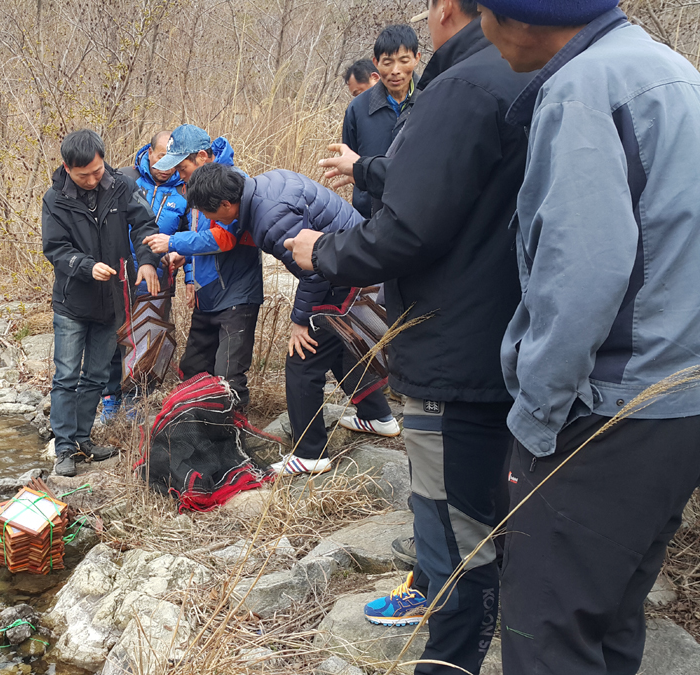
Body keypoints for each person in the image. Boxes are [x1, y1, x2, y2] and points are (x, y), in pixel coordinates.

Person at [287, 1, 534, 673]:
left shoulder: (462, 84)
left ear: (446, 11)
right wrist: (366, 171)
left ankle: (445, 653)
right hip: (508, 340)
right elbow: (445, 183)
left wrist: (323, 251)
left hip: (451, 347)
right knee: (483, 507)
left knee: (449, 527)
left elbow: (412, 224)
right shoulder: (529, 74)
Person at [476, 2, 700, 673]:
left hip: (608, 410)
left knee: (550, 632)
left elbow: (586, 268)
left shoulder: (582, 89)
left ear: (514, 16)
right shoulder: (671, 70)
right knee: (609, 619)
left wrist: (536, 419)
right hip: (677, 402)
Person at [185, 162, 399, 475]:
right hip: (354, 258)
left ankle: (311, 454)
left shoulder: (271, 220)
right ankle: (378, 416)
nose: (208, 220)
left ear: (226, 204)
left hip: (346, 270)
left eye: (209, 213)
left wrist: (300, 321)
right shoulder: (262, 186)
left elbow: (315, 271)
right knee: (335, 342)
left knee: (303, 358)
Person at [41, 129, 162, 477]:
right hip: (72, 303)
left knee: (95, 376)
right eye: (85, 175)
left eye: (98, 170)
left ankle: (83, 439)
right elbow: (55, 249)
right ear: (68, 168)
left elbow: (144, 226)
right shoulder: (55, 199)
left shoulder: (121, 185)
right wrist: (85, 265)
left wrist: (148, 262)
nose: (94, 179)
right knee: (66, 376)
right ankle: (64, 448)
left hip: (112, 300)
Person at [142, 124, 263, 408]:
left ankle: (232, 439)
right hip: (207, 295)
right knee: (193, 370)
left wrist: (173, 243)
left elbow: (225, 237)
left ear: (201, 156)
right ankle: (197, 432)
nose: (178, 175)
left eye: (182, 168)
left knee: (229, 375)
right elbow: (202, 236)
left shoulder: (233, 184)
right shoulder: (196, 186)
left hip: (237, 295)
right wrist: (189, 268)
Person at [100, 130, 187, 422]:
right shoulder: (123, 178)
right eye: (161, 157)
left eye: (173, 161)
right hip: (120, 273)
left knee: (151, 337)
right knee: (116, 334)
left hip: (159, 276)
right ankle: (111, 395)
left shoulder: (185, 191)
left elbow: (190, 238)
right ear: (150, 153)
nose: (167, 167)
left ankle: (137, 396)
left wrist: (190, 277)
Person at [342, 25, 422, 218]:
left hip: (418, 215)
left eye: (404, 61)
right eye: (387, 62)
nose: (396, 71)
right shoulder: (358, 109)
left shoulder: (431, 100)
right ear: (376, 63)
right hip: (368, 217)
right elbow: (352, 160)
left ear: (416, 59)